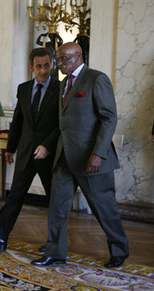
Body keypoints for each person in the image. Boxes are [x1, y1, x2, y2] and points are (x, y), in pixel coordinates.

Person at [31, 42, 129, 269]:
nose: (60, 64)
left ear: (78, 56)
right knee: (57, 207)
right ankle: (55, 253)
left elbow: (108, 119)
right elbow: (62, 123)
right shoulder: (64, 83)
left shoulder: (96, 79)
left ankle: (119, 251)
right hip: (64, 157)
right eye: (59, 59)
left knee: (103, 208)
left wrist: (98, 154)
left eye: (64, 59)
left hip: (91, 159)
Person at [0, 47, 60, 251]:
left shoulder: (61, 88)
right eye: (38, 66)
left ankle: (54, 244)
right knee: (15, 196)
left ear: (52, 65)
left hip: (49, 153)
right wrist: (10, 148)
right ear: (31, 67)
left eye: (47, 65)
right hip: (26, 152)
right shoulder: (23, 88)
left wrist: (46, 145)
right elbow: (18, 120)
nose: (43, 70)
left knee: (55, 200)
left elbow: (62, 124)